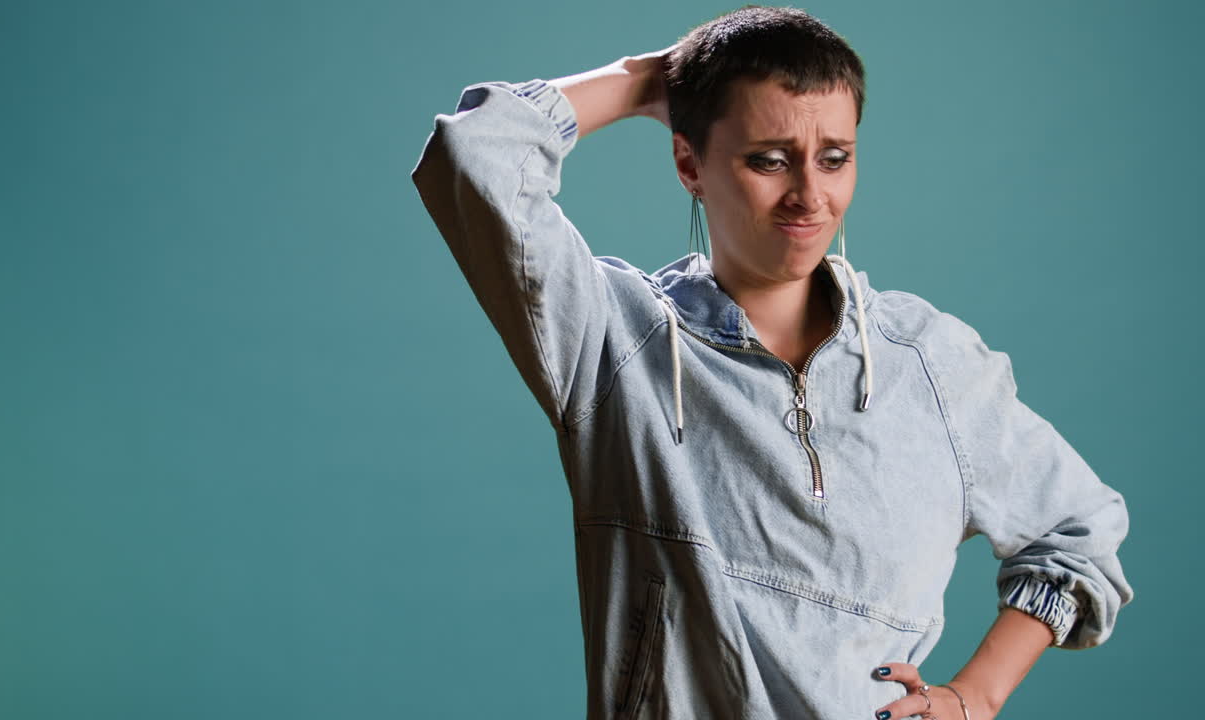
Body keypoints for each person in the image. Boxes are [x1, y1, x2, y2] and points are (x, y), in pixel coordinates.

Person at [410, 6, 1134, 719]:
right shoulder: (612, 338)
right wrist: (645, 80)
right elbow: (478, 154)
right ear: (689, 162)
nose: (809, 197)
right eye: (768, 160)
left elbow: (1079, 530)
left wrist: (975, 696)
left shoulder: (931, 362)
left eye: (835, 158)